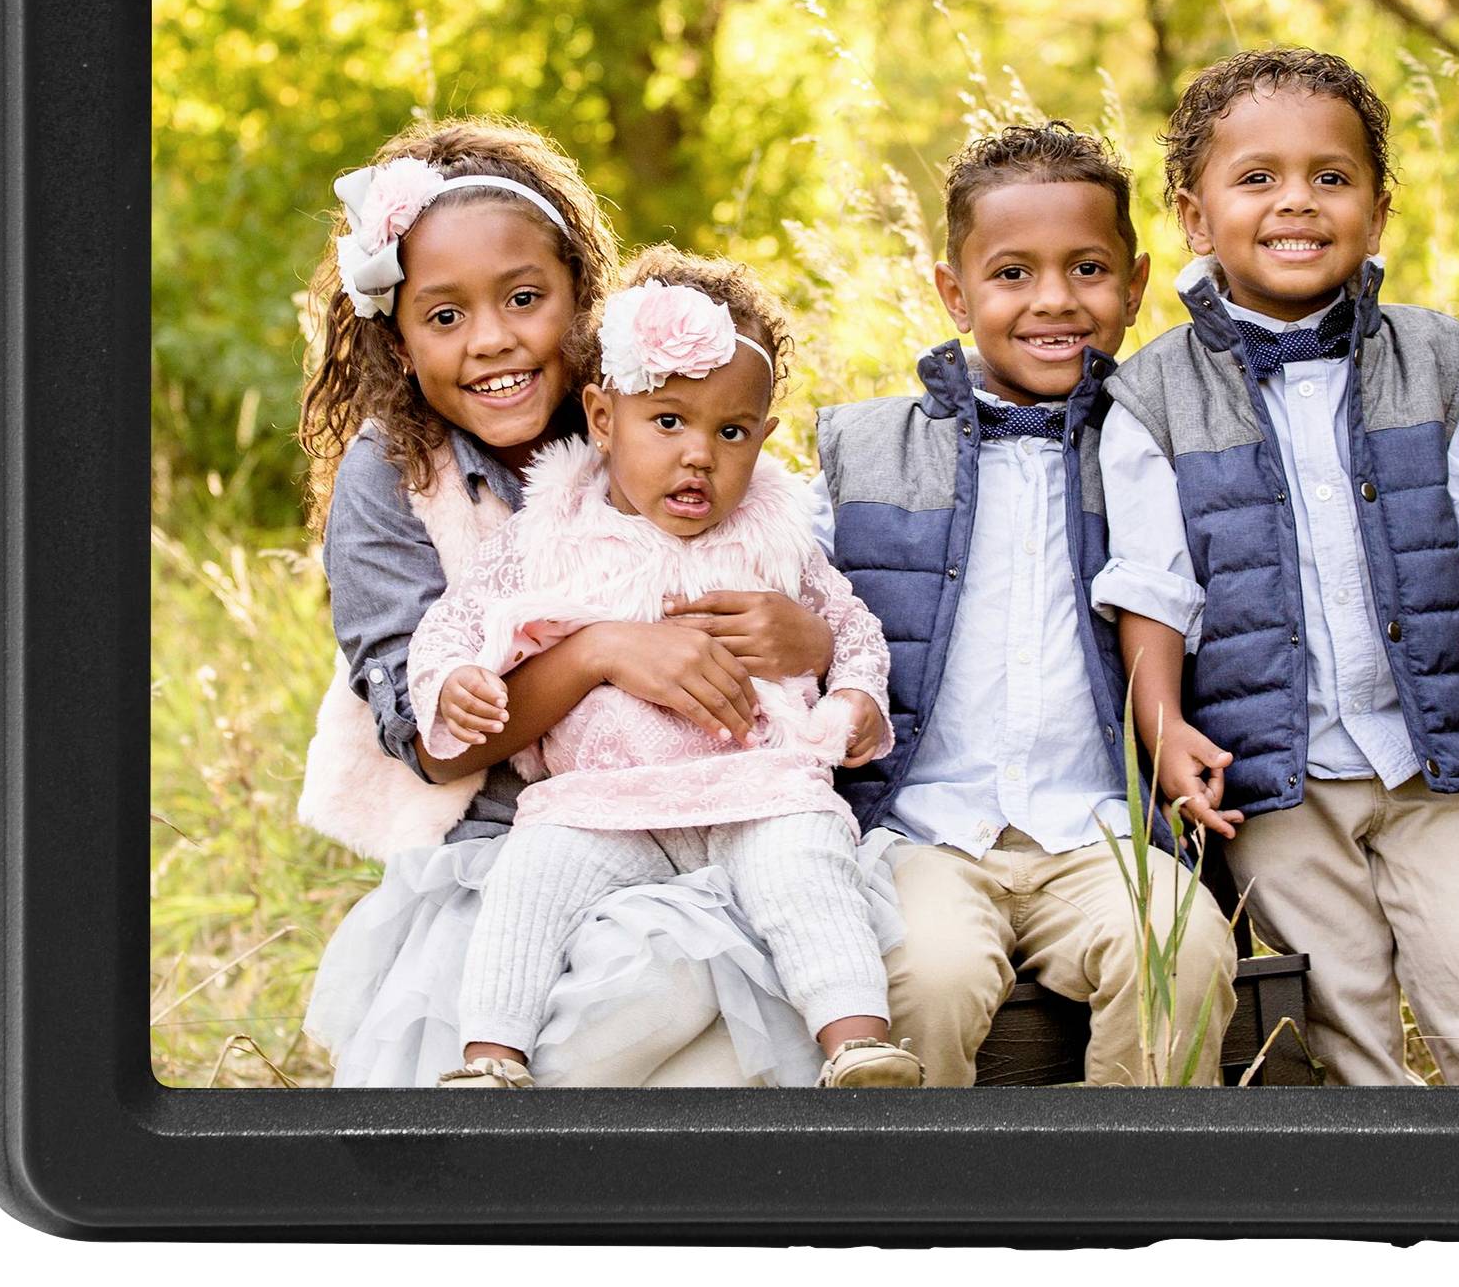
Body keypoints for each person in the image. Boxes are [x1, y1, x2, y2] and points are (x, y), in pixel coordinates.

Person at [296, 120, 854, 1087]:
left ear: (583, 299)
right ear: (399, 341)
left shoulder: (655, 416)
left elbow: (791, 567)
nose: (492, 340)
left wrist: (808, 642)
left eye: (524, 299)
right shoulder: (394, 476)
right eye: (444, 316)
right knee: (653, 985)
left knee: (726, 1015)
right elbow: (437, 745)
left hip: (720, 806)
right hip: (510, 840)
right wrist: (602, 650)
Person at [1095, 49, 1459, 1085]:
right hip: (1279, 774)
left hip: (1433, 756)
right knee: (1339, 1014)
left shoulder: (1428, 361)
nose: (1296, 201)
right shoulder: (1153, 398)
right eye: (1257, 178)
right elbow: (1152, 586)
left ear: (1377, 212)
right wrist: (1163, 730)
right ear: (1195, 217)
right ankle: (1382, 1177)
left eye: (1331, 177)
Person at [413, 253, 917, 1089]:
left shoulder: (773, 535)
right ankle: (492, 1059)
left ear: (764, 436)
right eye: (669, 422)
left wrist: (855, 690)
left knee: (807, 865)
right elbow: (454, 624)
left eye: (732, 433)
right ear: (603, 419)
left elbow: (851, 626)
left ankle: (858, 1045)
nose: (699, 456)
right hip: (602, 801)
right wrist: (452, 681)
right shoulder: (550, 531)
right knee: (528, 881)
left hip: (756, 786)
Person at [818, 122, 1239, 1085]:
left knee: (1180, 950)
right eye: (1012, 274)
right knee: (926, 979)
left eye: (1087, 269)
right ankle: (916, 1180)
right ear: (955, 294)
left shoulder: (1161, 450)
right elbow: (768, 564)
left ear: (1135, 284)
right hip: (924, 832)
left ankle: (1142, 1171)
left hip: (1099, 832)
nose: (1054, 299)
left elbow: (1277, 571)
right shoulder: (865, 453)